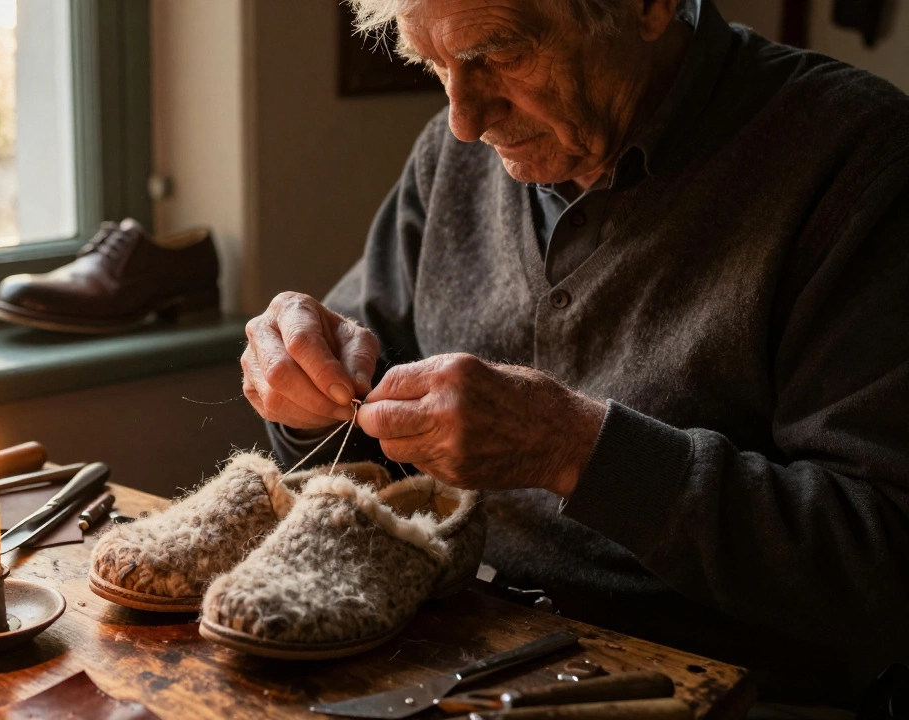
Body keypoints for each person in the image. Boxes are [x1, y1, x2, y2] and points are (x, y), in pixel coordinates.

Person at [241, 0, 909, 706]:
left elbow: (885, 564)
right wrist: (305, 401)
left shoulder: (859, 163)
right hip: (459, 648)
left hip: (720, 686)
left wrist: (577, 449)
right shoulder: (452, 156)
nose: (465, 121)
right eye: (435, 66)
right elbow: (360, 459)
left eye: (497, 55)